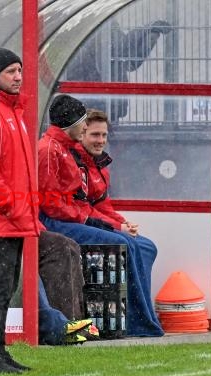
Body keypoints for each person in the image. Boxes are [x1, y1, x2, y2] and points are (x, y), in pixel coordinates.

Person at [0, 47, 98, 374]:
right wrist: (16, 209)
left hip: (17, 219)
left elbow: (20, 174)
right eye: (11, 71)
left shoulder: (14, 110)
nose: (18, 77)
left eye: (20, 70)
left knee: (5, 289)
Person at [37, 94, 164, 337]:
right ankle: (131, 322)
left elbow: (93, 205)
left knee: (143, 246)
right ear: (72, 123)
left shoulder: (65, 151)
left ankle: (138, 319)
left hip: (65, 218)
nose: (97, 137)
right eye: (90, 130)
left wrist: (117, 222)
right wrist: (100, 223)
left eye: (103, 135)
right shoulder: (52, 150)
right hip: (54, 222)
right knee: (121, 243)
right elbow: (54, 205)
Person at [66, 20, 172, 121]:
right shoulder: (100, 28)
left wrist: (148, 36)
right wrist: (147, 30)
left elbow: (128, 59)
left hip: (91, 100)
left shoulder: (81, 34)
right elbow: (124, 49)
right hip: (96, 100)